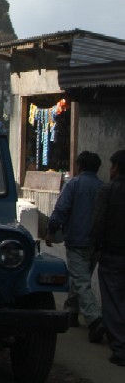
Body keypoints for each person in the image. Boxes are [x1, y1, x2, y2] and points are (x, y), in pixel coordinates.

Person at [46, 151, 104, 336]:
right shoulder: (102, 187)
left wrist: (51, 230)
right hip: (95, 243)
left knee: (81, 281)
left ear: (79, 166)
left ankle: (94, 319)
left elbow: (61, 209)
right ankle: (71, 311)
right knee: (80, 278)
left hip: (77, 241)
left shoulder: (74, 185)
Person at [92, 149, 125, 366]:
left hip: (113, 255)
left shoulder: (108, 191)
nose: (110, 171)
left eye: (112, 166)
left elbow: (98, 224)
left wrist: (96, 248)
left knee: (112, 302)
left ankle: (120, 349)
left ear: (117, 169)